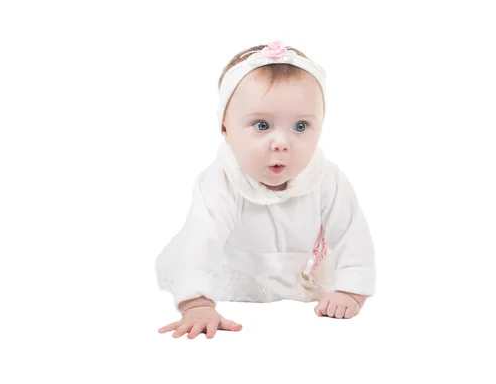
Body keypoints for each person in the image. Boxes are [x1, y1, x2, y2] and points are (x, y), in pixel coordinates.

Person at [155, 40, 376, 339]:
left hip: (296, 276)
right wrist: (197, 304)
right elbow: (200, 240)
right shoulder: (221, 180)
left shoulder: (326, 178)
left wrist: (351, 292)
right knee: (193, 254)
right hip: (230, 276)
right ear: (225, 129)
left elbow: (351, 233)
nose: (281, 142)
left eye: (301, 126)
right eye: (261, 125)